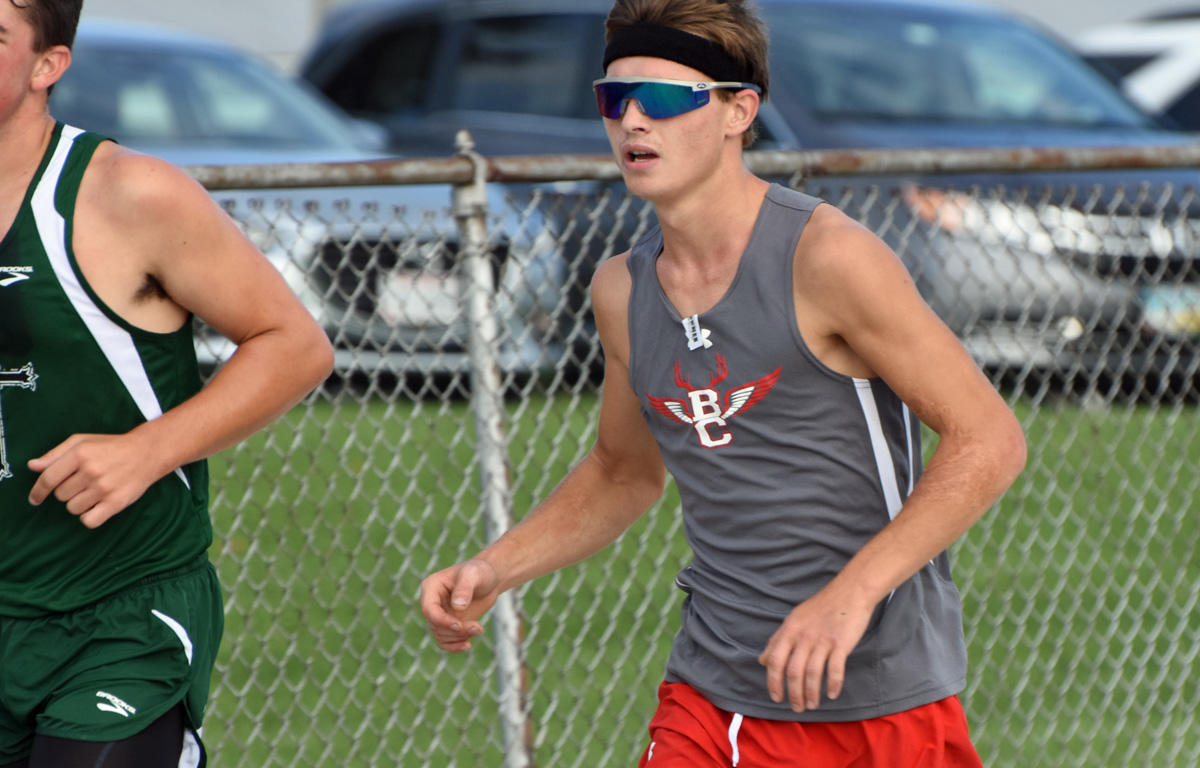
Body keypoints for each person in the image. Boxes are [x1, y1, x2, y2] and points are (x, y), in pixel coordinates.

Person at [421, 0, 1027, 765]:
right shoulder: (621, 289)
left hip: (880, 693)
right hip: (713, 693)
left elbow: (989, 439)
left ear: (740, 110)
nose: (633, 120)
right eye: (615, 97)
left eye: (664, 98)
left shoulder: (828, 258)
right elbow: (622, 472)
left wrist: (848, 596)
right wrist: (494, 567)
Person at [0, 1, 334, 766]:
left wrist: (146, 451)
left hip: (117, 613)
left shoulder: (128, 194)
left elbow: (294, 345)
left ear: (48, 65)